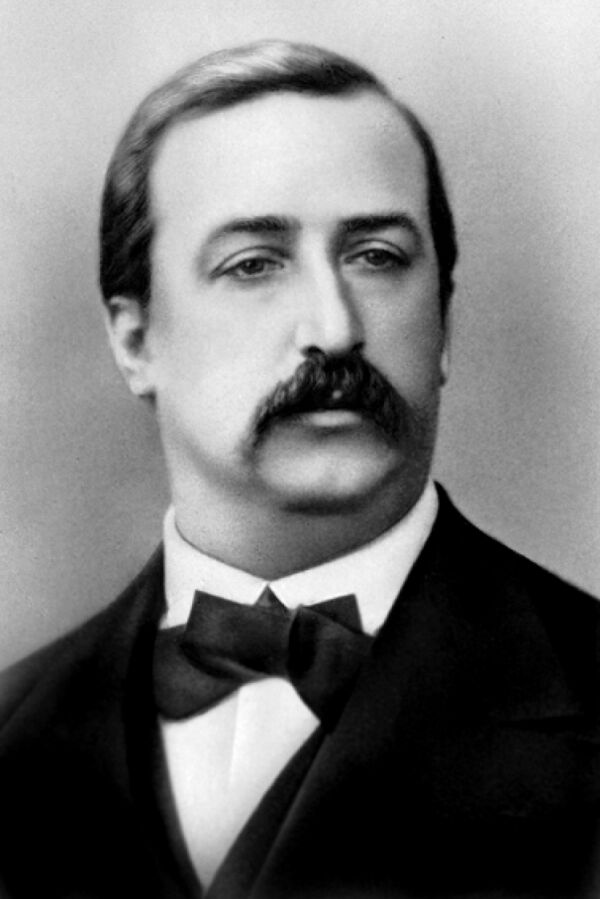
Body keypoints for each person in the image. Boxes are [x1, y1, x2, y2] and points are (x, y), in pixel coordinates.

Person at [0, 39, 598, 899]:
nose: (335, 327)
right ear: (135, 340)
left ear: (444, 323)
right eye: (254, 264)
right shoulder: (17, 729)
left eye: (377, 256)